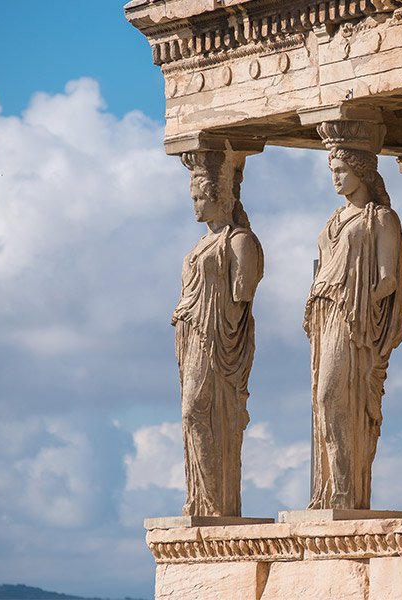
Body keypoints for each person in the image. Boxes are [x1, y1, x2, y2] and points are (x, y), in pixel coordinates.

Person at [304, 144, 402, 510]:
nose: (336, 177)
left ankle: (347, 491)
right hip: (325, 313)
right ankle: (329, 490)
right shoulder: (334, 219)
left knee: (333, 396)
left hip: (353, 317)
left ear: (361, 172)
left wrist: (360, 300)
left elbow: (389, 278)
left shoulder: (380, 219)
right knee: (323, 402)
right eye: (333, 170)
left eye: (342, 170)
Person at [172, 150, 263, 516]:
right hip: (192, 335)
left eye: (198, 198)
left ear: (218, 197)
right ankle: (201, 499)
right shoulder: (199, 246)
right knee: (190, 414)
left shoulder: (238, 240)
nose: (193, 205)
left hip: (216, 338)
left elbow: (243, 292)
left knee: (199, 410)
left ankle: (217, 502)